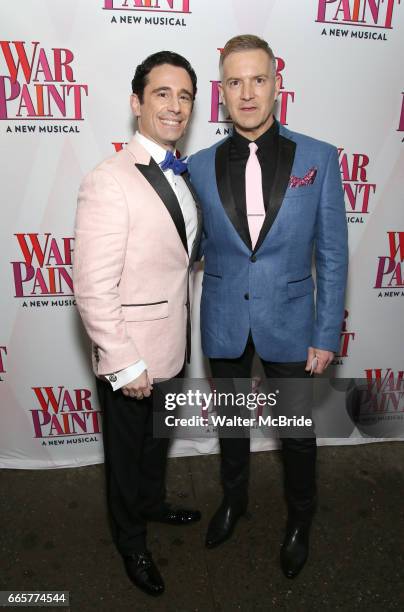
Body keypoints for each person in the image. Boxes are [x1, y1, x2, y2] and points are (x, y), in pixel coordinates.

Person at [188, 35, 348, 579]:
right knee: (232, 429)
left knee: (296, 436)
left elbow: (331, 252)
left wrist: (327, 333)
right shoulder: (198, 165)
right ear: (222, 93)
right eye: (235, 82)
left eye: (258, 79)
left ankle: (300, 519)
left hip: (293, 323)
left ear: (277, 84)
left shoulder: (320, 158)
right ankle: (234, 502)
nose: (248, 93)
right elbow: (186, 245)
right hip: (225, 320)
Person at [73, 51, 202, 597]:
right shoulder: (109, 180)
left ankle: (153, 505)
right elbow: (92, 287)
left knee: (156, 444)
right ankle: (131, 542)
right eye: (162, 94)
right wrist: (125, 363)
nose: (175, 106)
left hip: (173, 343)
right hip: (133, 358)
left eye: (185, 96)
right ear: (136, 102)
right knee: (126, 459)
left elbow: (176, 255)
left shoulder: (181, 170)